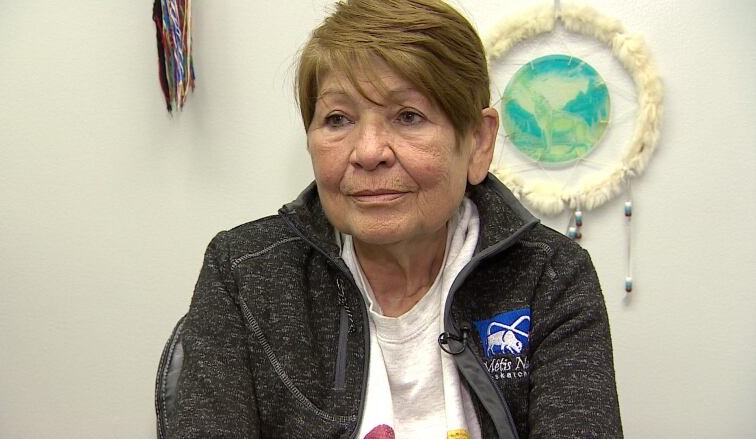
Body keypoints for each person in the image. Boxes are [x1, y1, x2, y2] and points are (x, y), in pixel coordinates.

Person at [158, 0, 623, 437]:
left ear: (478, 142)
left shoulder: (550, 277)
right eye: (338, 119)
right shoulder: (244, 273)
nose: (368, 152)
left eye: (408, 116)